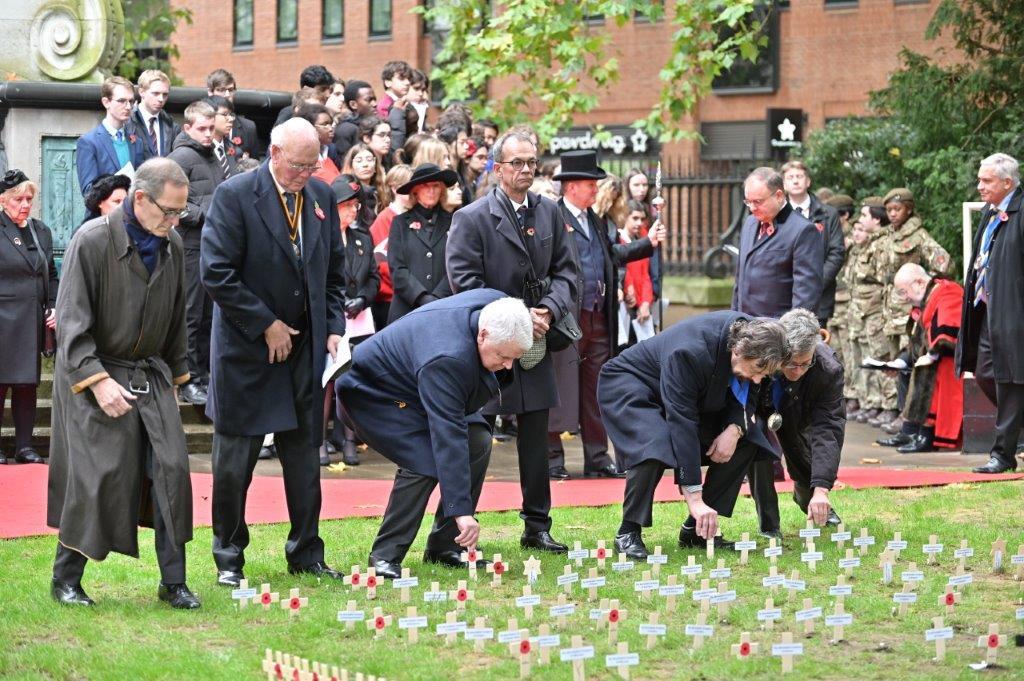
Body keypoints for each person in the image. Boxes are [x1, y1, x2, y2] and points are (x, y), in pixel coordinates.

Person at [201, 118, 347, 586]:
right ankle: (229, 557)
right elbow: (217, 272)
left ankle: (306, 552)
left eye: (312, 165)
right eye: (298, 165)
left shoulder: (320, 196)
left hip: (305, 351)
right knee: (234, 465)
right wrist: (266, 324)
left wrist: (333, 327)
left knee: (304, 460)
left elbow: (335, 272)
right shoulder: (235, 195)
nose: (306, 174)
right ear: (275, 153)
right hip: (247, 353)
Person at [47, 158, 198, 608]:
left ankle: (174, 582)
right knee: (96, 477)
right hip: (95, 373)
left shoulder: (171, 243)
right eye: (169, 211)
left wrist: (176, 377)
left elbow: (177, 318)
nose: (175, 221)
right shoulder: (91, 240)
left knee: (172, 471)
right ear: (140, 199)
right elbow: (71, 323)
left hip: (150, 373)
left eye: (181, 212)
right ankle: (65, 579)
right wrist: (97, 382)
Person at [446, 129, 578, 554]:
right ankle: (459, 527)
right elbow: (464, 283)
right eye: (516, 163)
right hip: (490, 346)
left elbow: (568, 272)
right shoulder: (472, 218)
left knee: (537, 438)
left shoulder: (550, 212)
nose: (525, 170)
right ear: (498, 168)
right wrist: (518, 315)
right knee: (477, 436)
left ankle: (537, 526)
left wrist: (550, 310)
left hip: (537, 339)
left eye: (531, 162)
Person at [338, 291, 532, 576]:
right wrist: (461, 511)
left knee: (478, 440)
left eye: (514, 357)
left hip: (415, 382)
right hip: (371, 394)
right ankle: (384, 556)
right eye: (503, 356)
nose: (508, 365)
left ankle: (445, 546)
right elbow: (447, 434)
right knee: (422, 459)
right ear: (483, 335)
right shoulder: (448, 358)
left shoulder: (499, 307)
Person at [600, 312, 788, 559]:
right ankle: (628, 531)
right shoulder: (690, 353)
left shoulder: (756, 338)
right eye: (756, 370)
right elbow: (682, 422)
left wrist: (735, 429)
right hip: (630, 384)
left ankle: (696, 530)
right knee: (654, 443)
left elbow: (749, 392)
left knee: (748, 439)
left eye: (763, 375)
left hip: (686, 395)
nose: (756, 379)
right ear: (738, 351)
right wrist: (693, 495)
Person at [545, 155, 663, 481]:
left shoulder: (594, 220)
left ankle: (597, 457)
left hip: (598, 316)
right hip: (567, 317)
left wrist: (647, 244)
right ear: (572, 186)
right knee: (559, 387)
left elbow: (611, 254)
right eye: (590, 184)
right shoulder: (552, 216)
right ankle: (552, 459)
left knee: (596, 389)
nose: (596, 189)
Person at [749, 308, 844, 539]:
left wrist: (822, 488)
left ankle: (809, 497)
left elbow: (828, 428)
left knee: (802, 448)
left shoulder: (827, 370)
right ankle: (769, 524)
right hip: (758, 405)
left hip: (797, 407)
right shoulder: (760, 350)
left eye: (805, 363)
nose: (798, 371)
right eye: (792, 364)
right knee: (758, 445)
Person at [956, 153, 1022, 473]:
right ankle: (1013, 433)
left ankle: (1003, 455)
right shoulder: (989, 211)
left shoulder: (1021, 211)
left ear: (1007, 183)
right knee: (984, 372)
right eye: (979, 180)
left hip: (1014, 314)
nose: (980, 186)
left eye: (987, 181)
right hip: (985, 310)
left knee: (1011, 381)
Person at [874, 188, 952, 429]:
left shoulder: (918, 236)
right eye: (889, 210)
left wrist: (924, 287)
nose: (893, 214)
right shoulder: (886, 236)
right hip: (889, 309)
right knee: (895, 365)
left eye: (897, 209)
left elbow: (945, 264)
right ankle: (901, 412)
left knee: (909, 363)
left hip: (909, 312)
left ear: (908, 209)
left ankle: (909, 417)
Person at [166, 101, 225, 406]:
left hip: (213, 245)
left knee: (207, 315)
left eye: (211, 128)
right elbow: (169, 202)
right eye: (202, 128)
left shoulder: (212, 155)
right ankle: (188, 379)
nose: (208, 133)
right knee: (191, 313)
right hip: (189, 245)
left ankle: (203, 375)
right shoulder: (179, 158)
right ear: (187, 128)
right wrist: (203, 215)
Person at [0, 170, 58, 465]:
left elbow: (52, 273)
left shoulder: (40, 230)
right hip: (2, 319)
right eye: (18, 199)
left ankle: (24, 446)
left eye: (29, 199)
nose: (25, 205)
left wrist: (54, 306)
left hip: (31, 319)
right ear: (3, 200)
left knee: (27, 384)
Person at [878, 263, 964, 453]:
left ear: (919, 283)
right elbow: (918, 342)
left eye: (903, 291)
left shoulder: (948, 292)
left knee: (926, 369)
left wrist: (932, 354)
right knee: (906, 369)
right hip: (942, 356)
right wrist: (900, 362)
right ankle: (910, 430)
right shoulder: (928, 298)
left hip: (954, 358)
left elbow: (948, 332)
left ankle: (927, 435)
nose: (904, 298)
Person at [733, 166, 824, 318]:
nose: (752, 208)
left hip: (777, 327)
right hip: (744, 324)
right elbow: (739, 281)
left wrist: (793, 330)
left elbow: (806, 295)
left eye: (758, 201)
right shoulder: (749, 223)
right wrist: (733, 319)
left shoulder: (803, 230)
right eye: (748, 202)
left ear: (779, 196)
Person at [848, 199, 899, 426]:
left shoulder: (884, 243)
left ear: (877, 219)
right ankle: (871, 402)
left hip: (877, 311)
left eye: (864, 216)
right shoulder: (868, 244)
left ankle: (888, 406)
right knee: (866, 358)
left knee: (882, 358)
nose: (860, 221)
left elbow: (884, 281)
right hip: (862, 311)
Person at [387, 164, 459, 323]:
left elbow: (457, 265)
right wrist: (421, 297)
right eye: (425, 186)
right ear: (415, 191)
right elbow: (397, 268)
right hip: (406, 310)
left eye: (436, 186)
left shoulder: (455, 222)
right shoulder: (399, 223)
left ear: (442, 190)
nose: (431, 190)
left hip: (444, 308)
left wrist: (437, 297)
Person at [781, 161, 844, 327]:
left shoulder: (829, 214)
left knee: (816, 341)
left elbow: (836, 252)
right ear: (784, 184)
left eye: (799, 176)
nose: (796, 181)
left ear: (808, 181)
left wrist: (815, 283)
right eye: (790, 177)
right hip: (784, 296)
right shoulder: (778, 215)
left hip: (820, 297)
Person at [76, 76, 149, 195]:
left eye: (131, 101)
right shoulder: (88, 142)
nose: (128, 107)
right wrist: (117, 186)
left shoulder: (136, 142)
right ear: (106, 102)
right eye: (121, 101)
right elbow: (88, 191)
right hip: (104, 207)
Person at [368, 164, 414, 330]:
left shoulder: (413, 216)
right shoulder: (385, 219)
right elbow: (381, 261)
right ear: (395, 188)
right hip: (389, 298)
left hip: (410, 294)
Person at [206, 68, 263, 159]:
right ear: (210, 92)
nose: (227, 95)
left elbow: (254, 163)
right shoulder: (201, 125)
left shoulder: (248, 127)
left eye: (230, 90)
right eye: (221, 90)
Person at [131, 70, 180, 159]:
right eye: (156, 93)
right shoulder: (128, 122)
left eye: (165, 94)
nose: (161, 99)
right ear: (141, 92)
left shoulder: (172, 126)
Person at [293, 102, 342, 185]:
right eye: (325, 124)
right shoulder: (299, 158)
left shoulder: (330, 151)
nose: (330, 129)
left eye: (331, 124)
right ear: (309, 127)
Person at [343, 143, 386, 227]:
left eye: (369, 160)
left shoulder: (381, 190)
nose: (365, 164)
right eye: (359, 161)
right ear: (351, 166)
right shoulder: (347, 194)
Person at [334, 80, 377, 159]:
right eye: (369, 100)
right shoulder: (346, 129)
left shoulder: (374, 125)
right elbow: (344, 162)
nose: (375, 104)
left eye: (374, 99)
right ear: (353, 104)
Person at [204, 95, 242, 179]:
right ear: (209, 116)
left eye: (231, 114)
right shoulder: (198, 149)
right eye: (225, 114)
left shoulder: (236, 150)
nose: (231, 119)